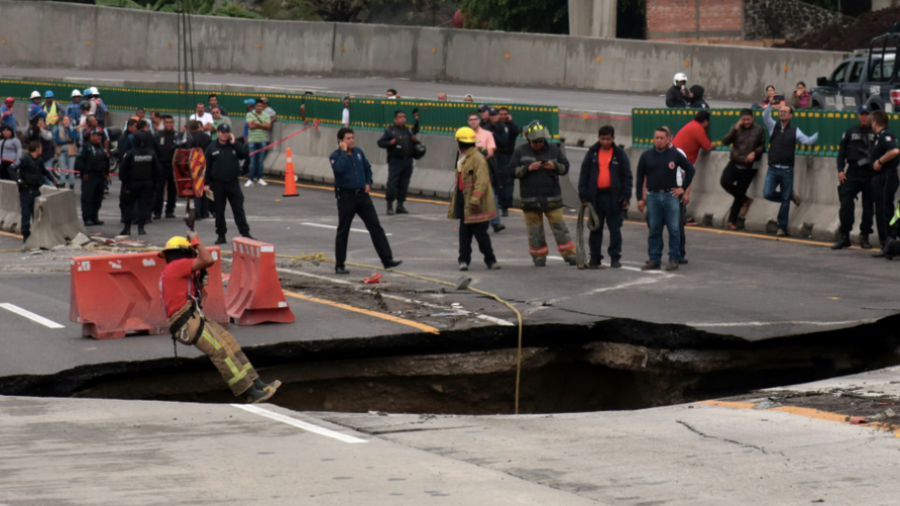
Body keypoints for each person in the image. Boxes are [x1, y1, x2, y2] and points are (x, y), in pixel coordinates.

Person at [159, 232, 280, 404]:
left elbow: (189, 291)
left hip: (192, 316)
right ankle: (248, 392)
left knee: (229, 343)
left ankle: (256, 383)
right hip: (186, 321)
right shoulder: (177, 266)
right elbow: (208, 259)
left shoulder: (174, 270)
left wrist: (199, 282)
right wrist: (196, 241)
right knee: (219, 351)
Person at [329, 127, 403, 275]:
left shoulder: (358, 152)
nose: (351, 140)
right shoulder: (335, 155)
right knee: (343, 230)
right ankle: (339, 264)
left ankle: (387, 259)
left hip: (362, 196)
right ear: (340, 141)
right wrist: (343, 152)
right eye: (348, 138)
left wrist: (368, 182)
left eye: (352, 137)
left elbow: (367, 168)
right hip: (346, 197)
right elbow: (339, 169)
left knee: (375, 227)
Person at [510, 120, 576, 267]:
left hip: (552, 198)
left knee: (560, 227)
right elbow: (511, 170)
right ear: (528, 138)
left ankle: (570, 254)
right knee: (535, 231)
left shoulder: (554, 149)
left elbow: (565, 167)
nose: (539, 144)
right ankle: (538, 256)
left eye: (541, 141)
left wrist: (555, 166)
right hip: (530, 199)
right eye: (536, 142)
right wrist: (527, 169)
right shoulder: (520, 151)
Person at [635, 128, 696, 271]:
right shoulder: (647, 156)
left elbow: (690, 170)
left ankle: (674, 258)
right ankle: (654, 259)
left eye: (662, 138)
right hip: (653, 196)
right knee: (654, 229)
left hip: (671, 196)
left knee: (674, 229)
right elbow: (639, 178)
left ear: (668, 139)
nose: (659, 140)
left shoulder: (675, 155)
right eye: (656, 138)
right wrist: (640, 198)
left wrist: (683, 188)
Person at [578, 126, 633, 269]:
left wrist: (625, 196)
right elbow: (584, 175)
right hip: (596, 198)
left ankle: (615, 256)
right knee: (595, 228)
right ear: (598, 138)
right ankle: (595, 257)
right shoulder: (592, 153)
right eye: (602, 139)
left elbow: (627, 176)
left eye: (608, 139)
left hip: (614, 198)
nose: (605, 142)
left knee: (615, 228)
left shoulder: (619, 154)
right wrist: (583, 197)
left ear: (613, 138)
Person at [762, 102, 819, 237]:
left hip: (787, 170)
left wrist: (819, 134)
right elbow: (765, 116)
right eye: (781, 111)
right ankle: (788, 197)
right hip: (773, 169)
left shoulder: (795, 130)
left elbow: (807, 141)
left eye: (785, 112)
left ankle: (781, 227)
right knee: (767, 193)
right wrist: (770, 104)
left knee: (785, 201)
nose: (782, 113)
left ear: (791, 115)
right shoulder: (773, 126)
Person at [449, 127, 499, 271]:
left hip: (475, 203)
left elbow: (481, 182)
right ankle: (463, 260)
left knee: (480, 234)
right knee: (464, 234)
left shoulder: (477, 159)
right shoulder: (461, 157)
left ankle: (490, 260)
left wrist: (475, 200)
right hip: (463, 200)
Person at [671, 110, 715, 263]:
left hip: (678, 176)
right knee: (677, 225)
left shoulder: (690, 126)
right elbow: (707, 146)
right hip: (680, 176)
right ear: (706, 121)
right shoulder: (697, 129)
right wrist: (716, 143)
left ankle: (670, 255)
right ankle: (678, 254)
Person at [833, 104, 877, 250]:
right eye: (862, 114)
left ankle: (864, 236)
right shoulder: (850, 132)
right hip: (852, 173)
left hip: (870, 175)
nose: (864, 117)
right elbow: (841, 154)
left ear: (871, 116)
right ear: (858, 115)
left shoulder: (876, 133)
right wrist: (840, 170)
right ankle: (845, 236)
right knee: (846, 204)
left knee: (868, 207)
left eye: (867, 114)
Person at [205, 123, 254, 245]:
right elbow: (206, 167)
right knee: (219, 210)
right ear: (218, 132)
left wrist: (235, 143)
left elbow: (244, 154)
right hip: (218, 184)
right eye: (222, 132)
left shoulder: (233, 145)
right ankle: (221, 235)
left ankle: (245, 232)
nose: (225, 134)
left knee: (238, 208)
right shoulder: (211, 148)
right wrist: (206, 183)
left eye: (227, 132)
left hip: (233, 182)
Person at [720, 108, 766, 230]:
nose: (746, 122)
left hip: (749, 167)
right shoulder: (736, 128)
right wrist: (735, 130)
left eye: (748, 119)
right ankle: (746, 200)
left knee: (740, 192)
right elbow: (725, 141)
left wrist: (754, 153)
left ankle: (732, 221)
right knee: (725, 182)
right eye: (744, 119)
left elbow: (763, 145)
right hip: (734, 162)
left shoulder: (759, 129)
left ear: (753, 118)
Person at [118, 131, 161, 236]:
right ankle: (141, 228)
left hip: (131, 184)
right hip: (147, 184)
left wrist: (124, 182)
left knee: (129, 206)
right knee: (143, 206)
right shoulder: (152, 154)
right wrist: (155, 184)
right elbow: (157, 170)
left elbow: (122, 169)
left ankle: (127, 228)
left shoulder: (129, 154)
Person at [377, 110, 420, 215]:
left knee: (404, 183)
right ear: (395, 119)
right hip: (395, 161)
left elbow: (415, 131)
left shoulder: (408, 131)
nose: (403, 119)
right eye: (400, 117)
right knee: (393, 183)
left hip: (407, 161)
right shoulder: (390, 131)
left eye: (404, 117)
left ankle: (400, 205)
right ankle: (389, 206)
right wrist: (390, 142)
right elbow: (380, 142)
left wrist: (416, 141)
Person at [870, 110, 900, 259]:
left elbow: (894, 151)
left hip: (886, 176)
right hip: (881, 178)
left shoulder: (885, 135)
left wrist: (880, 161)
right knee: (882, 210)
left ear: (874, 122)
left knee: (884, 211)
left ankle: (888, 244)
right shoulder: (879, 136)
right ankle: (887, 244)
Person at [13, 141, 57, 244]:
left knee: (37, 215)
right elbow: (12, 168)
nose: (41, 150)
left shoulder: (39, 160)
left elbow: (45, 172)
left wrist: (54, 181)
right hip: (26, 190)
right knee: (26, 214)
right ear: (37, 149)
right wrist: (18, 180)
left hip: (36, 190)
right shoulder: (25, 160)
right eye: (40, 147)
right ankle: (26, 236)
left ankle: (37, 236)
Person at [75, 129, 109, 226]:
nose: (99, 137)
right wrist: (83, 173)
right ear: (92, 136)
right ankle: (87, 218)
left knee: (98, 198)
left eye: (100, 136)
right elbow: (80, 161)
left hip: (100, 176)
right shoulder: (86, 147)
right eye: (97, 136)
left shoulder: (101, 146)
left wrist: (106, 173)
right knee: (88, 198)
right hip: (89, 176)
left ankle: (95, 217)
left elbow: (105, 160)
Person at [491, 107, 520, 218]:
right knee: (497, 181)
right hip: (496, 156)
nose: (503, 116)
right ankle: (498, 203)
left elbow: (517, 131)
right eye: (501, 114)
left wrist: (511, 121)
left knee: (507, 181)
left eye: (505, 114)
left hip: (508, 156)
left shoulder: (510, 126)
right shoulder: (495, 127)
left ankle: (506, 205)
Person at [153, 115, 178, 220]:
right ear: (163, 123)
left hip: (173, 166)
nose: (169, 124)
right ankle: (157, 212)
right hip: (161, 165)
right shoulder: (158, 135)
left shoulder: (177, 136)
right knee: (159, 190)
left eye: (170, 122)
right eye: (167, 122)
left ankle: (170, 211)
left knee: (172, 190)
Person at [245, 99, 271, 187]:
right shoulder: (249, 114)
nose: (259, 107)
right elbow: (250, 126)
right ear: (255, 106)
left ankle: (260, 178)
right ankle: (250, 179)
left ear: (263, 107)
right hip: (252, 140)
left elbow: (268, 126)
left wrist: (256, 123)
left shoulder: (266, 115)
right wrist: (261, 124)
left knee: (260, 161)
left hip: (262, 140)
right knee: (252, 161)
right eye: (258, 106)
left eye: (261, 106)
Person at [54, 116, 80, 190]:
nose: (66, 122)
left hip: (71, 153)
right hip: (62, 152)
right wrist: (68, 142)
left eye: (67, 120)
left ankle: (71, 185)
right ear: (62, 121)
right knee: (63, 171)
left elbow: (73, 138)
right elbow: (57, 141)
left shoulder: (73, 129)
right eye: (64, 120)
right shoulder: (58, 130)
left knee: (71, 171)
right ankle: (62, 185)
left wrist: (68, 128)